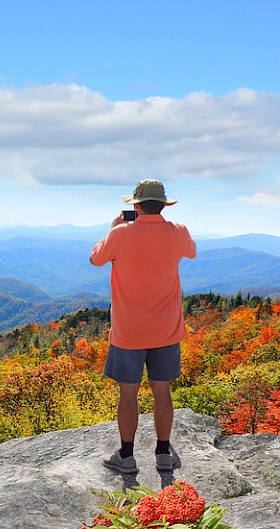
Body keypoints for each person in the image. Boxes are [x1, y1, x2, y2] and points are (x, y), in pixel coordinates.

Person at [89, 179, 196, 474]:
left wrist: (112, 229)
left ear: (135, 206)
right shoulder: (179, 232)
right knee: (162, 391)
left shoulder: (120, 234)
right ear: (164, 205)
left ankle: (126, 456)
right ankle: (163, 453)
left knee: (128, 393)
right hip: (167, 330)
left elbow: (95, 259)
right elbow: (192, 252)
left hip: (128, 332)